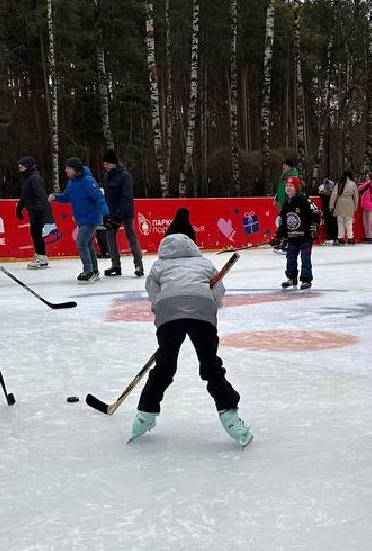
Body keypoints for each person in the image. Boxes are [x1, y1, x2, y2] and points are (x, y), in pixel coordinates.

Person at [129, 209, 252, 447]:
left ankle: (145, 413)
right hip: (201, 309)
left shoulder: (158, 265)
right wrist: (207, 310)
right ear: (192, 242)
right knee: (210, 366)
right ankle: (230, 415)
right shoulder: (204, 263)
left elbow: (154, 295)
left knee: (164, 366)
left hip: (169, 312)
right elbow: (218, 292)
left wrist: (163, 317)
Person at [52, 157, 109, 282]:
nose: (66, 170)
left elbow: (99, 198)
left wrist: (106, 214)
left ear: (75, 169)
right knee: (87, 244)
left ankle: (88, 270)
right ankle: (94, 270)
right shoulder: (71, 182)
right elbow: (67, 196)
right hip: (81, 219)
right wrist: (56, 197)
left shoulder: (88, 181)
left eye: (68, 168)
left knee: (81, 242)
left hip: (91, 218)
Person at [101, 149, 144, 277]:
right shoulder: (106, 175)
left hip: (125, 211)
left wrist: (117, 215)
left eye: (107, 164)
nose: (105, 166)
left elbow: (126, 197)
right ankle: (115, 265)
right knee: (110, 236)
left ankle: (138, 264)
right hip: (112, 211)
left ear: (114, 163)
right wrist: (107, 213)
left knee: (130, 235)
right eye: (104, 164)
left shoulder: (125, 176)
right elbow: (107, 195)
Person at [275, 178, 318, 290]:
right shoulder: (286, 204)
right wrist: (280, 235)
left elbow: (315, 212)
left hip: (305, 236)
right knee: (290, 257)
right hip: (292, 237)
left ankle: (306, 279)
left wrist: (314, 227)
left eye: (291, 186)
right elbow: (283, 222)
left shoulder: (304, 200)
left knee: (305, 256)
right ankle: (292, 277)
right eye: (287, 185)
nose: (288, 188)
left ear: (296, 188)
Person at [15, 156, 51, 269]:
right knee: (35, 233)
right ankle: (41, 255)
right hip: (34, 210)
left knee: (36, 233)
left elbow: (39, 195)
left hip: (38, 211)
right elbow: (25, 195)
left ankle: (41, 257)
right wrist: (19, 208)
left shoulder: (34, 178)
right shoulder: (27, 177)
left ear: (27, 166)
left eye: (21, 167)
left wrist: (38, 211)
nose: (19, 169)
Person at [330, 170, 359, 245]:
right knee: (348, 221)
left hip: (340, 202)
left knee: (340, 221)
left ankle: (340, 237)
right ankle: (350, 238)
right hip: (349, 202)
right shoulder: (353, 184)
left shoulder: (339, 183)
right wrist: (355, 207)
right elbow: (356, 196)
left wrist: (331, 205)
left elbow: (334, 194)